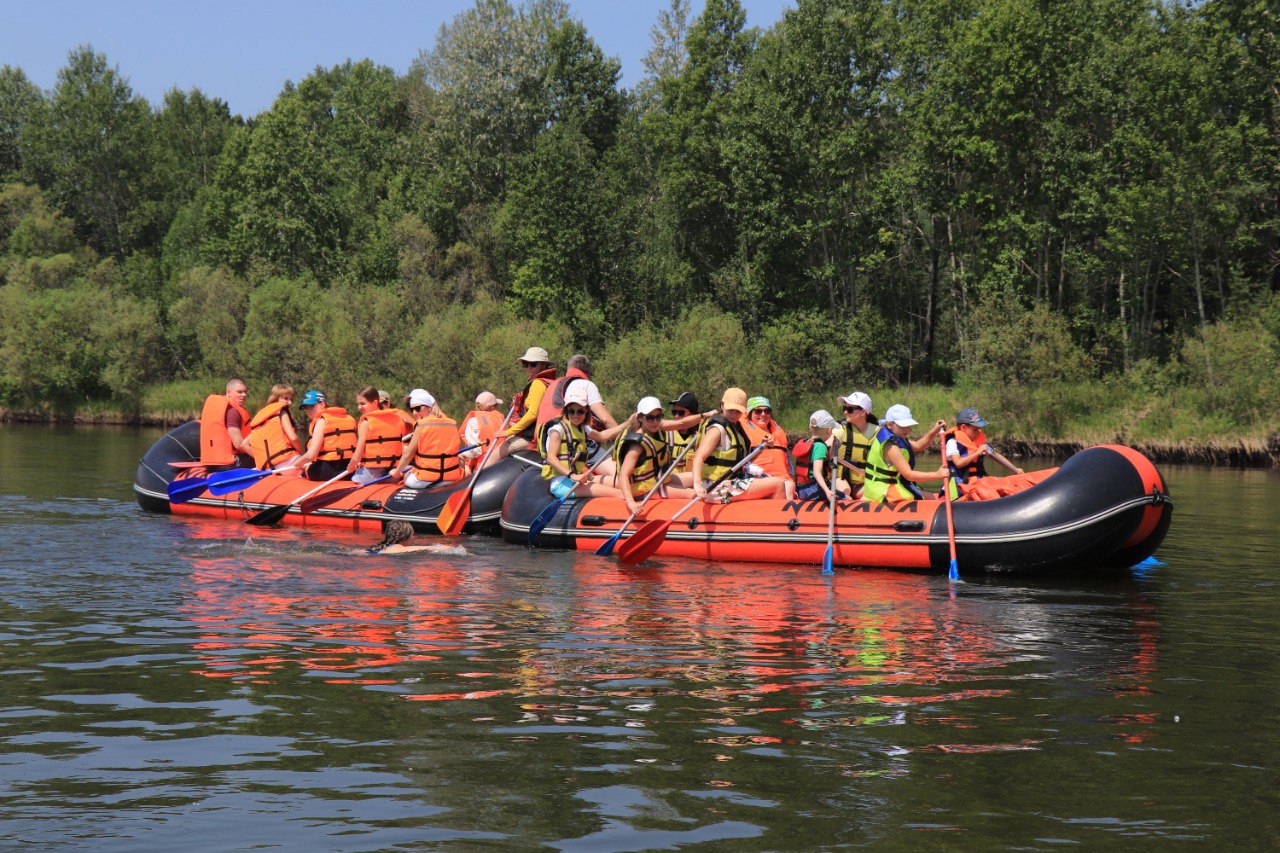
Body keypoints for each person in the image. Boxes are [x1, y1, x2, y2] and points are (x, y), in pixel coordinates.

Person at [691, 388, 795, 503]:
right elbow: (698, 457)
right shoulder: (717, 429)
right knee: (778, 483)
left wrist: (762, 447)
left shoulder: (736, 428)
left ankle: (767, 515)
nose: (734, 414)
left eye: (738, 411)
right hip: (715, 485)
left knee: (785, 483)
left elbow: (743, 462)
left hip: (732, 480)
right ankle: (775, 518)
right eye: (731, 410)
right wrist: (697, 485)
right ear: (722, 405)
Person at [538, 385, 634, 500]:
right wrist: (572, 475)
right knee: (619, 493)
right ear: (566, 411)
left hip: (576, 479)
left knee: (622, 483)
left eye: (580, 411)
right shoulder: (557, 430)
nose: (575, 415)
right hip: (562, 484)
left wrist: (628, 423)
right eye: (571, 411)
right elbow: (551, 458)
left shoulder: (582, 428)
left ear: (586, 412)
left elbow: (602, 436)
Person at [614, 397, 700, 515]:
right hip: (645, 490)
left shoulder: (657, 429)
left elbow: (682, 423)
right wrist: (630, 502)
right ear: (640, 418)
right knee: (693, 493)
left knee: (697, 477)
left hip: (657, 481)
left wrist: (704, 416)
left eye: (658, 417)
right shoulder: (637, 445)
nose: (655, 421)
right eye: (650, 418)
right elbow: (623, 474)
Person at [862, 404, 948, 504]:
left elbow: (919, 446)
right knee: (932, 499)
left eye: (908, 426)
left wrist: (935, 430)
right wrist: (937, 475)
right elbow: (909, 475)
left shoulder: (897, 438)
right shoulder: (890, 447)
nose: (907, 429)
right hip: (882, 490)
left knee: (933, 497)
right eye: (903, 426)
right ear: (890, 424)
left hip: (892, 484)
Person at [943, 407, 1024, 499]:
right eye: (975, 429)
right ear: (963, 427)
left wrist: (1015, 470)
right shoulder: (952, 442)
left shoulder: (978, 443)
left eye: (979, 429)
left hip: (978, 484)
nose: (978, 432)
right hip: (960, 488)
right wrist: (977, 453)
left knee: (1005, 483)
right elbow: (958, 463)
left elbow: (996, 456)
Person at [392, 390, 466, 489]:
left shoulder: (421, 425)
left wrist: (396, 472)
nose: (414, 413)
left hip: (426, 479)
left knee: (406, 477)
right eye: (412, 409)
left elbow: (407, 455)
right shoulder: (452, 424)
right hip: (451, 478)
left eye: (418, 409)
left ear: (429, 407)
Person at [348, 386, 411, 485]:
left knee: (354, 480)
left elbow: (358, 454)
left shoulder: (366, 422)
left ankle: (383, 479)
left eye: (363, 403)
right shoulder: (397, 419)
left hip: (373, 470)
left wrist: (351, 465)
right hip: (394, 466)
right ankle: (395, 476)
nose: (359, 407)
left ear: (375, 403)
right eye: (358, 404)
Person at [501, 346, 558, 455]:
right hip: (538, 433)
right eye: (525, 364)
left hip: (531, 436)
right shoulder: (549, 382)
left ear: (544, 364)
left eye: (533, 364)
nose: (529, 368)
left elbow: (532, 414)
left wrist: (507, 432)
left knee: (498, 451)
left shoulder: (538, 383)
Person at [293, 391, 358, 481]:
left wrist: (297, 464)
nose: (308, 410)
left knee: (306, 469)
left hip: (327, 470)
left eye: (312, 406)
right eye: (306, 407)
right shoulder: (349, 418)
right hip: (350, 470)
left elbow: (311, 455)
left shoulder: (321, 421)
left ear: (322, 404)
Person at [793, 410, 851, 503]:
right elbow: (817, 472)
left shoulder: (807, 441)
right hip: (813, 489)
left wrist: (834, 443)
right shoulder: (820, 446)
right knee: (848, 499)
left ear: (810, 427)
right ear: (829, 430)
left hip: (801, 489)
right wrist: (827, 491)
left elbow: (828, 459)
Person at [246, 384, 304, 472]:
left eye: (291, 399)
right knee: (311, 464)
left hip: (267, 468)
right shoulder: (282, 411)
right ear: (276, 398)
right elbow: (293, 438)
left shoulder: (262, 417)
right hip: (288, 462)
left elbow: (243, 444)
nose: (289, 403)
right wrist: (305, 455)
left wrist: (262, 457)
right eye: (286, 398)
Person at [198, 378, 253, 470]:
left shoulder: (222, 409)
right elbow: (239, 444)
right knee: (268, 456)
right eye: (239, 392)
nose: (244, 395)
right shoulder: (233, 412)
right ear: (229, 393)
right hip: (227, 463)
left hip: (211, 463)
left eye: (245, 392)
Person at [832, 391, 877, 496]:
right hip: (838, 479)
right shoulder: (839, 429)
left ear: (863, 412)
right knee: (845, 489)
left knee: (877, 489)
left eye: (850, 409)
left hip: (862, 483)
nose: (845, 412)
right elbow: (827, 443)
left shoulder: (877, 432)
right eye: (845, 408)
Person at [742, 396, 793, 481]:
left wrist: (791, 477)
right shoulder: (742, 431)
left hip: (784, 480)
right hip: (758, 480)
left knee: (789, 486)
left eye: (767, 411)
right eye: (758, 411)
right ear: (750, 413)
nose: (763, 414)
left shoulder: (778, 432)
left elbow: (788, 459)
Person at [459, 391, 507, 470]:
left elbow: (476, 450)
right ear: (490, 407)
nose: (497, 408)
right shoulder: (502, 419)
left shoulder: (474, 421)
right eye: (496, 405)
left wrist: (462, 455)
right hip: (503, 463)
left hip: (483, 466)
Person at [368, 521, 467, 555]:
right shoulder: (400, 548)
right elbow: (426, 548)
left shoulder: (381, 548)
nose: (414, 538)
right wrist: (448, 548)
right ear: (405, 536)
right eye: (412, 535)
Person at [665, 391, 704, 475]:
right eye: (674, 412)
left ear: (693, 414)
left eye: (681, 413)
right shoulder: (666, 433)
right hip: (670, 482)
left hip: (692, 482)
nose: (676, 416)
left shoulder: (702, 435)